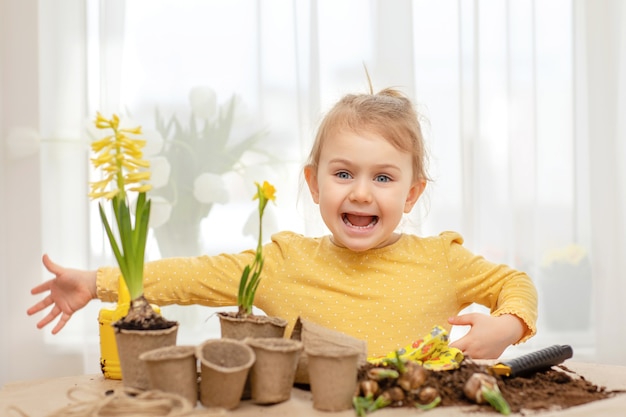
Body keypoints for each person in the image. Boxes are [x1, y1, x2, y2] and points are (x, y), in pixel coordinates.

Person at [28, 87, 537, 360]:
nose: (360, 191)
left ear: (412, 193)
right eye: (343, 174)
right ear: (314, 185)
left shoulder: (440, 260)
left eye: (383, 177)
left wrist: (508, 325)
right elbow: (195, 276)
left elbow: (514, 282)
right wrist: (96, 283)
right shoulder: (286, 261)